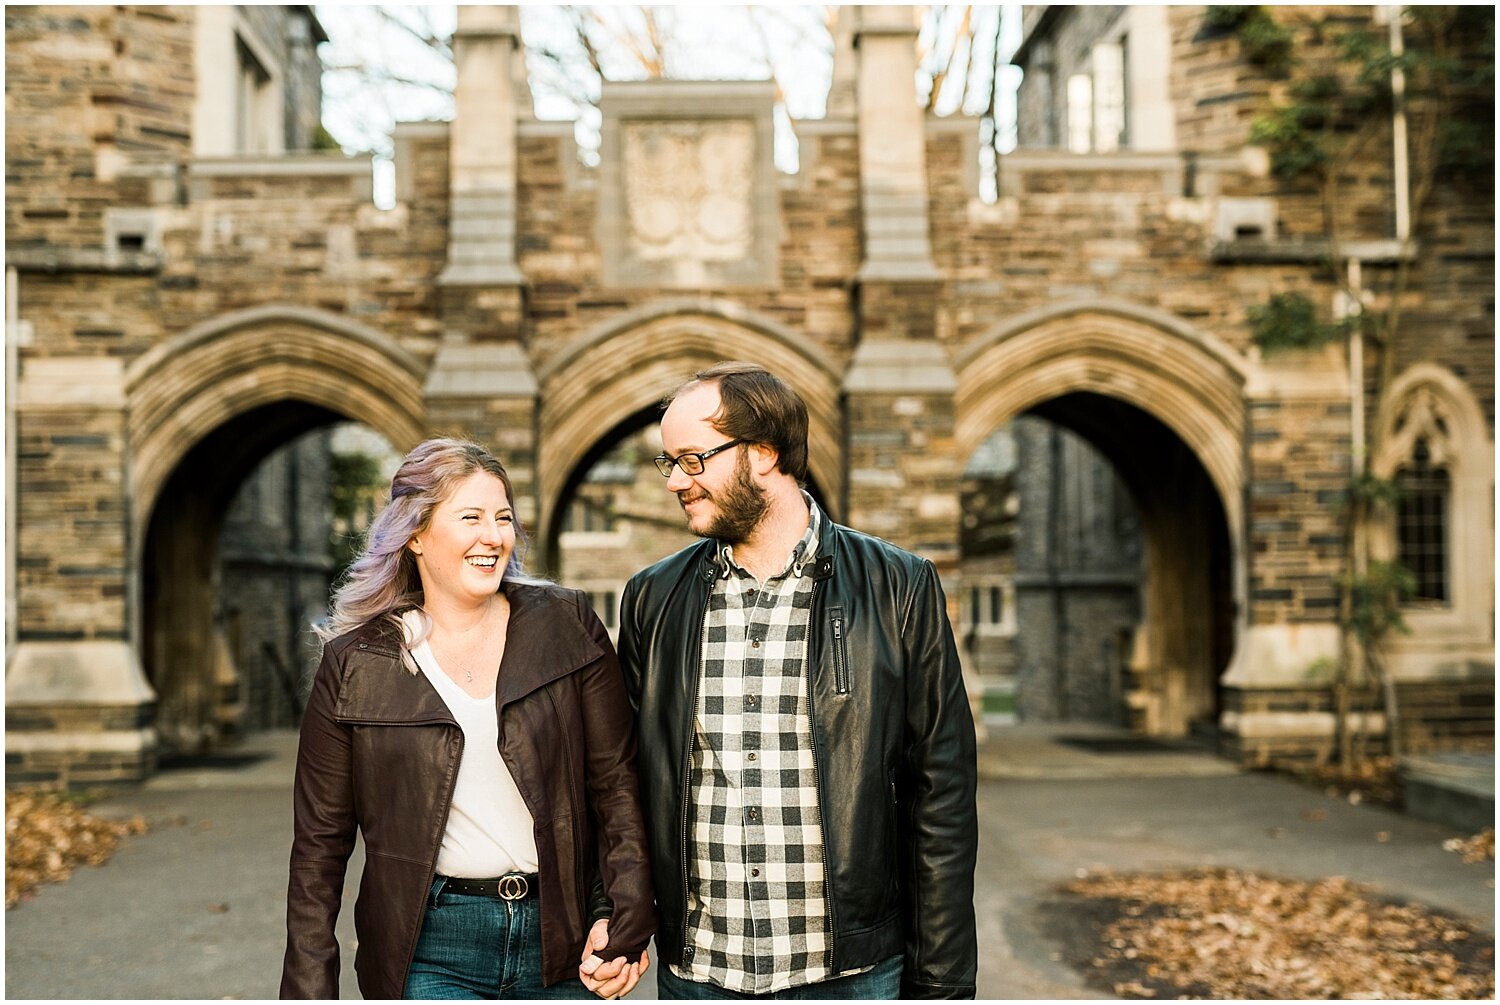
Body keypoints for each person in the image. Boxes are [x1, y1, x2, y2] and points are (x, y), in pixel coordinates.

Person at [617, 362, 978, 1000]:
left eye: (693, 459)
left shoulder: (900, 587)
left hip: (852, 977)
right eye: (667, 463)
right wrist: (617, 920)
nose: (675, 480)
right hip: (701, 974)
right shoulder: (652, 598)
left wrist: (944, 984)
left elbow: (940, 797)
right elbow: (621, 784)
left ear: (763, 453)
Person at [281, 437, 654, 1000]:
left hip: (562, 937)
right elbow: (319, 846)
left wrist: (621, 915)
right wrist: (309, 987)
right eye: (471, 517)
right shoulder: (356, 663)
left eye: (503, 518)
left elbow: (616, 785)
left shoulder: (567, 625)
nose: (493, 537)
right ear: (415, 535)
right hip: (430, 946)